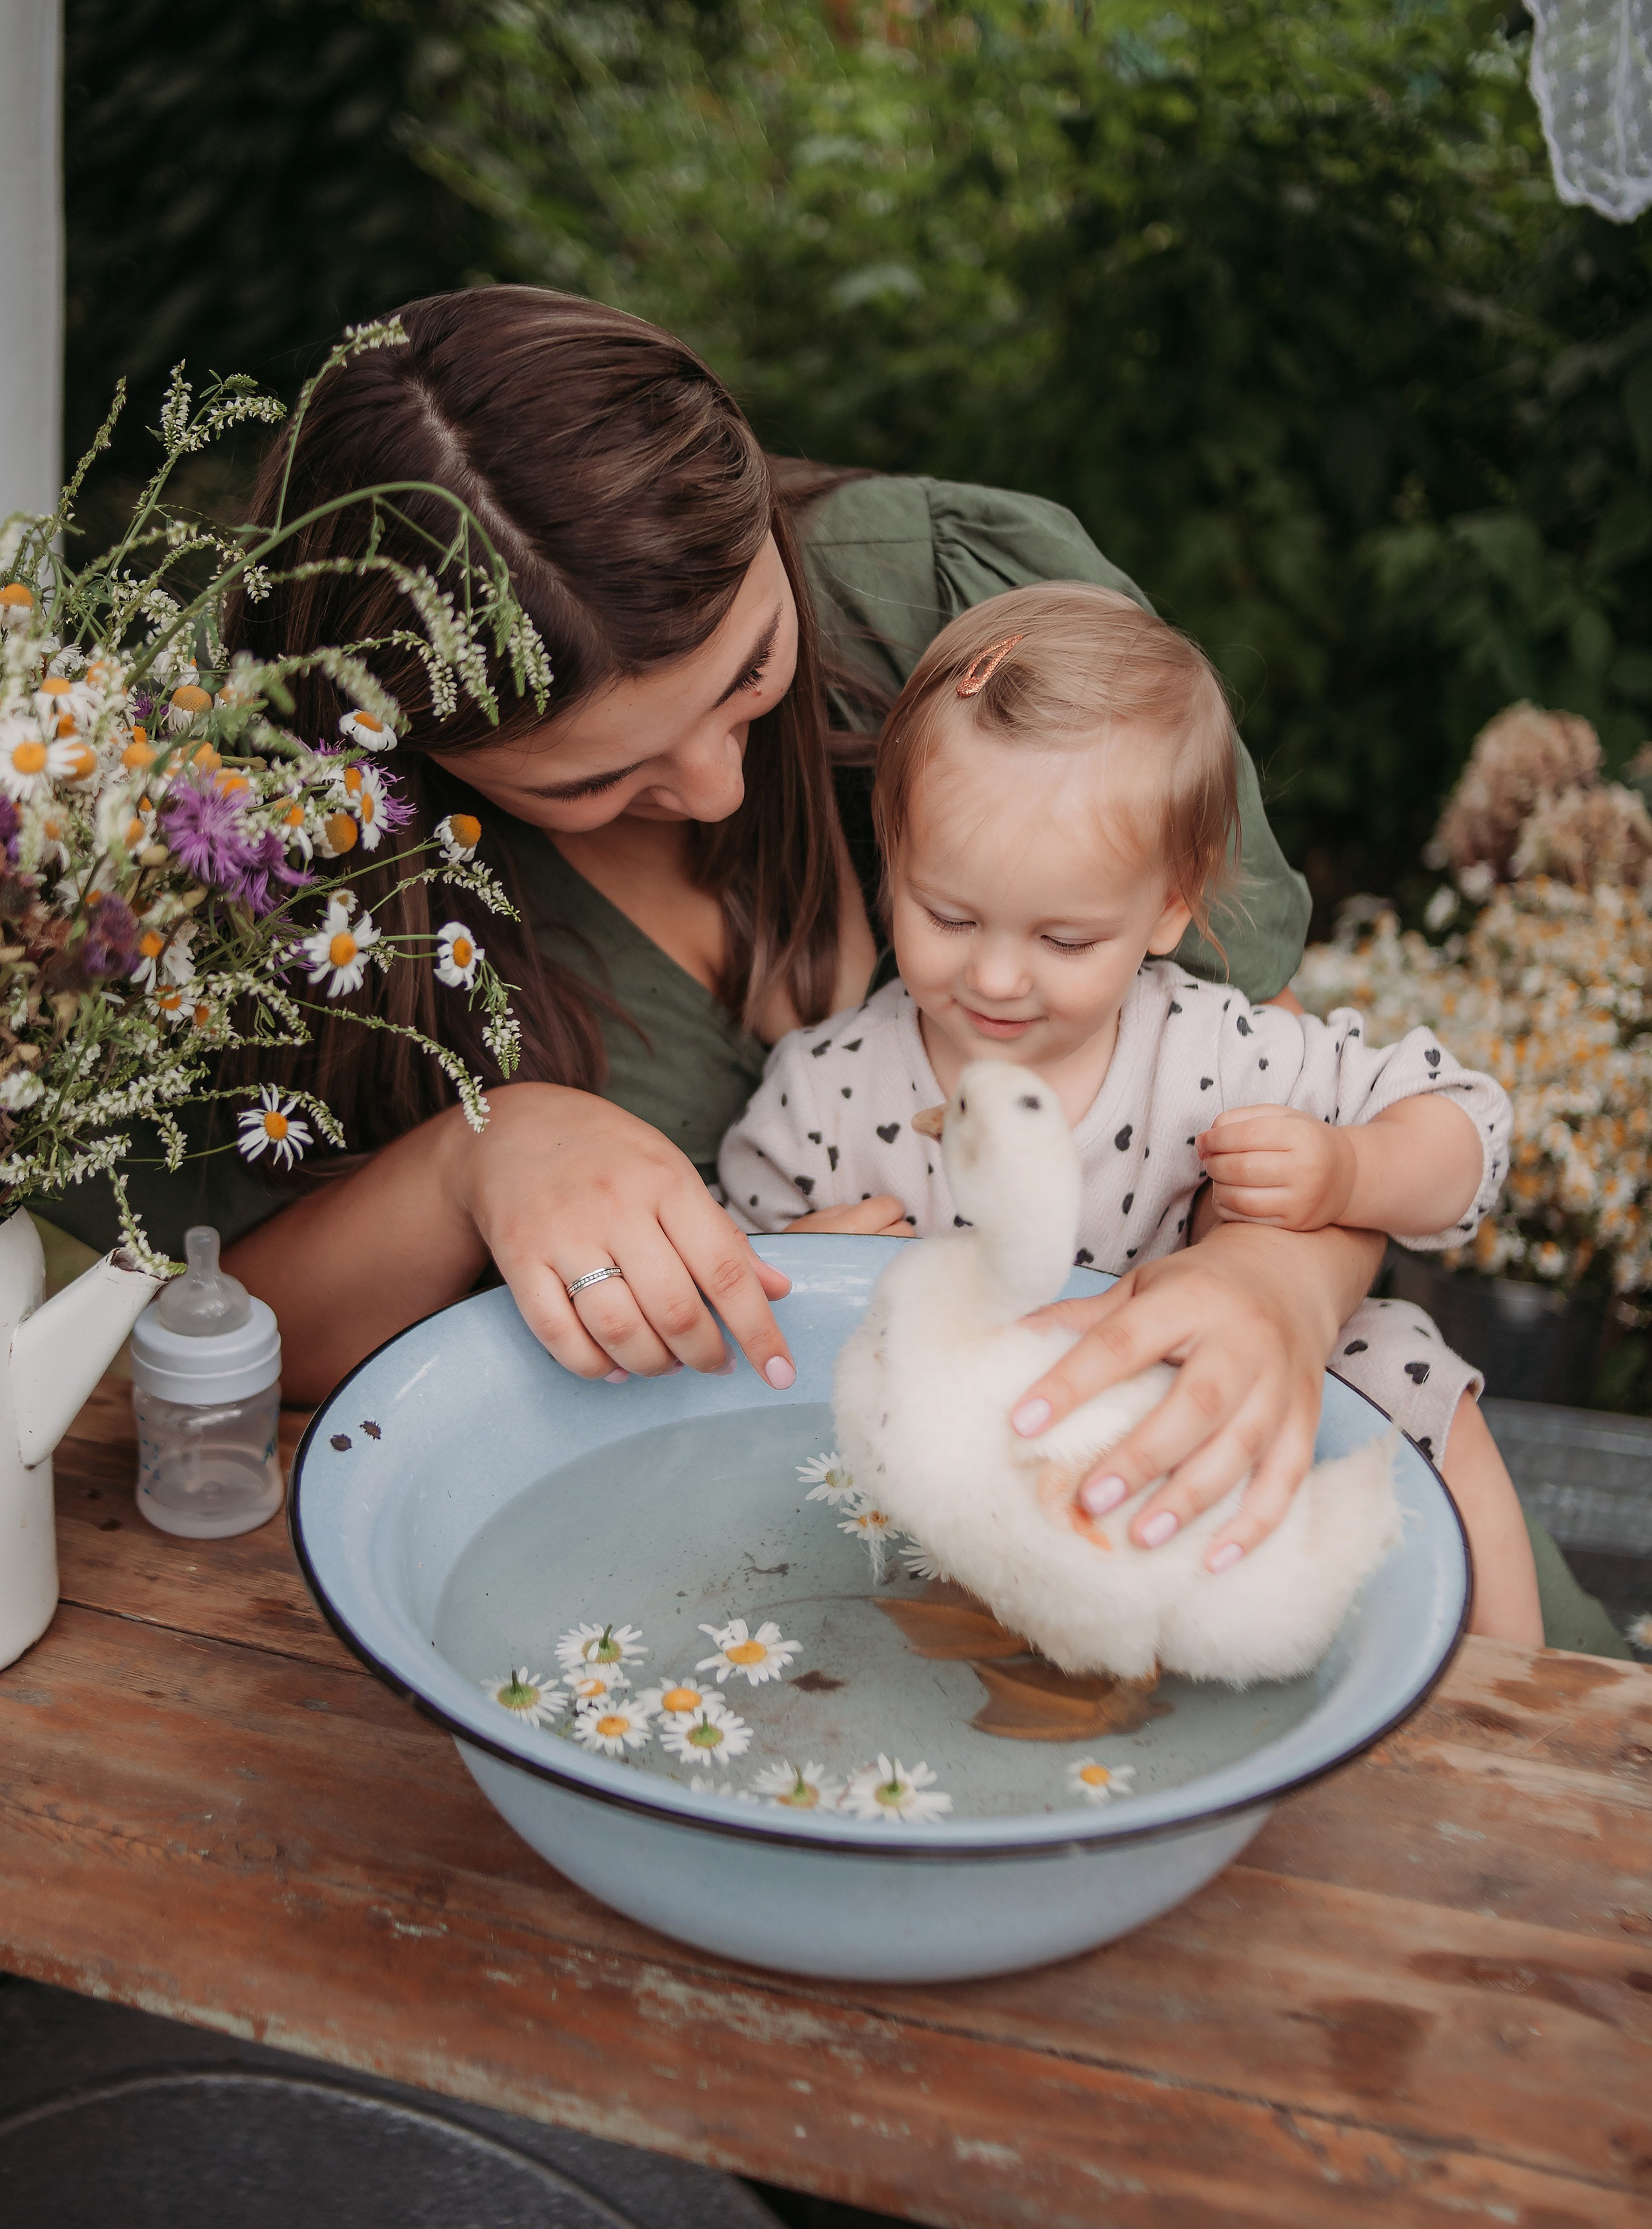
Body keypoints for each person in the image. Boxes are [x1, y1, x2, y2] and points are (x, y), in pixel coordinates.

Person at [38, 288, 1621, 1649]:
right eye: (593, 781)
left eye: (748, 673)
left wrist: (1275, 1287)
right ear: (402, 751)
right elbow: (224, 1337)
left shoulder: (962, 609)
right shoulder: (270, 856)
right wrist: (481, 1152)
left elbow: (1260, 1087)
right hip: (785, 1583)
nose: (715, 788)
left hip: (1252, 1473)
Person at [720, 586, 1541, 1641]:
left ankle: (1515, 1694)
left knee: (1400, 1367)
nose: (998, 977)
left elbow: (1468, 1126)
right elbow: (725, 1304)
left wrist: (1349, 1169)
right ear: (893, 849)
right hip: (962, 1480)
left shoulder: (1211, 1053)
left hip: (1195, 1430)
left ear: (1168, 907)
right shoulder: (825, 1092)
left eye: (1065, 940)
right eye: (949, 916)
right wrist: (802, 1268)